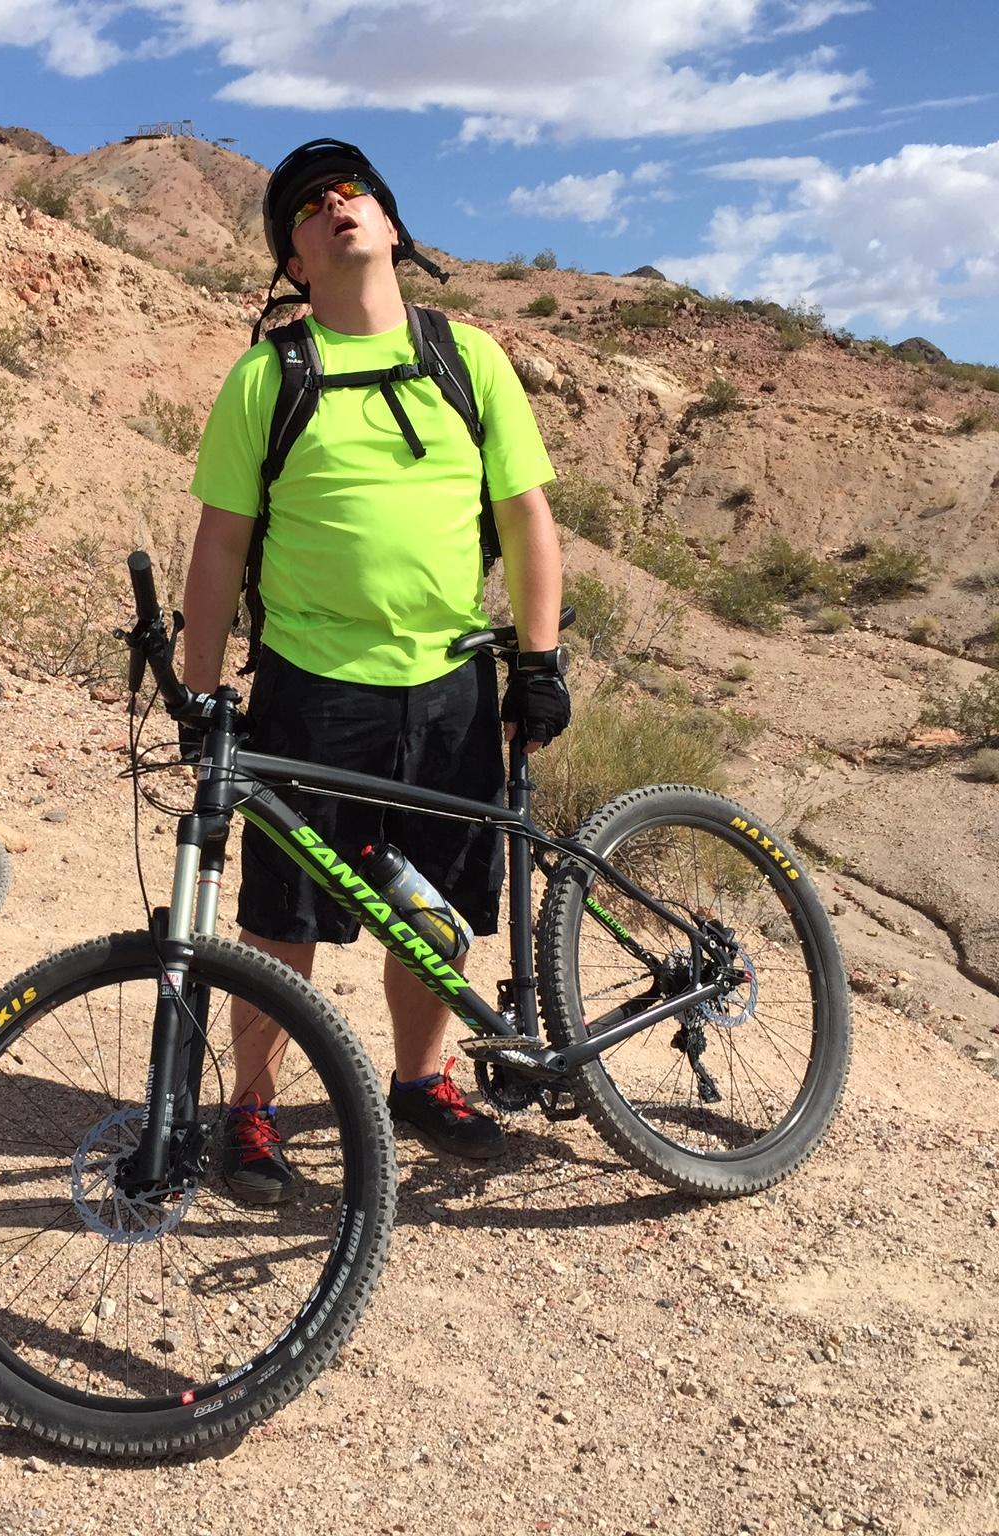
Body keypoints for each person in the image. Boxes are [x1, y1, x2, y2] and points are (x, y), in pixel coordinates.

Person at [179, 138, 570, 1202]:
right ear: (295, 263)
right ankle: (250, 1109)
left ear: (392, 228)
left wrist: (538, 659)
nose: (334, 206)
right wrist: (197, 682)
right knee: (281, 913)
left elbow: (524, 518)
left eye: (352, 193)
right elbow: (219, 542)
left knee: (433, 903)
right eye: (307, 206)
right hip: (311, 684)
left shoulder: (468, 357)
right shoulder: (270, 375)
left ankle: (417, 1079)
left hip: (450, 684)